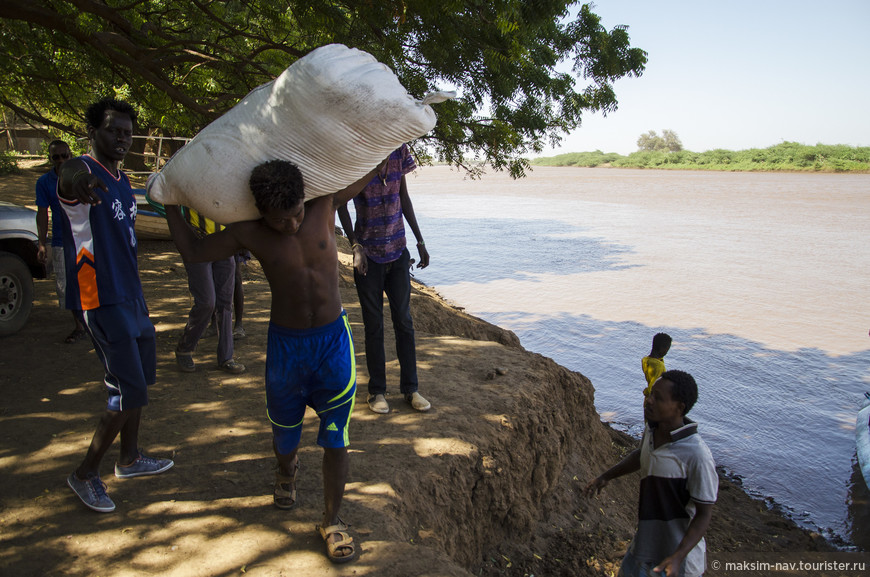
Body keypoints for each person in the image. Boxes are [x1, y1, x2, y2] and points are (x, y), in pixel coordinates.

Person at [164, 158, 382, 564]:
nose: (292, 225)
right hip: (286, 352)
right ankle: (286, 470)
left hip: (333, 345)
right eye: (281, 220)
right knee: (285, 438)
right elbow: (194, 251)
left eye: (296, 213)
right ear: (262, 214)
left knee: (337, 437)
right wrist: (171, 200)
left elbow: (365, 168)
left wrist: (393, 139)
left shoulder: (324, 203)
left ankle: (332, 521)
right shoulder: (250, 233)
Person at [58, 97, 173, 513]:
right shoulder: (83, 171)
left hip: (133, 296)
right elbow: (67, 176)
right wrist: (76, 180)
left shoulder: (123, 180)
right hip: (101, 298)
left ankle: (130, 458)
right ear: (93, 133)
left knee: (141, 381)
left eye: (127, 132)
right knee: (126, 389)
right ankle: (85, 473)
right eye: (113, 131)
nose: (122, 138)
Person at [584, 370, 717, 577]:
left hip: (676, 564)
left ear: (679, 407)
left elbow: (704, 514)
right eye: (650, 394)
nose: (649, 401)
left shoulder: (697, 455)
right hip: (643, 548)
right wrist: (606, 476)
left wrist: (679, 556)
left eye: (658, 398)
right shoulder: (653, 430)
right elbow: (642, 454)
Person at [337, 143, 431, 414]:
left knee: (404, 322)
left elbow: (404, 199)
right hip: (368, 256)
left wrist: (420, 241)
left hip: (398, 252)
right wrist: (355, 245)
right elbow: (341, 205)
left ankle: (411, 389)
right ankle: (377, 392)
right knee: (374, 325)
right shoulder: (356, 154)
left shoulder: (399, 151)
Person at [174, 207, 246, 374]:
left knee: (225, 303)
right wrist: (186, 231)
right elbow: (167, 205)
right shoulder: (187, 183)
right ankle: (185, 347)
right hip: (198, 245)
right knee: (206, 302)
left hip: (224, 245)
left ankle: (226, 357)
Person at [35, 140, 87, 343]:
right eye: (56, 157)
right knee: (65, 286)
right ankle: (79, 326)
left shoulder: (80, 177)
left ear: (70, 155)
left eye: (64, 155)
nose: (61, 160)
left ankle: (94, 324)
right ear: (51, 159)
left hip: (83, 238)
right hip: (59, 240)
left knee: (89, 281)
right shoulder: (44, 182)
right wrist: (41, 242)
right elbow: (41, 214)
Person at [642, 332, 672, 397]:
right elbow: (652, 387)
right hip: (654, 401)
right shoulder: (659, 367)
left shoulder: (645, 360)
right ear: (662, 349)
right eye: (667, 349)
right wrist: (646, 392)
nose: (667, 352)